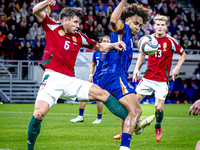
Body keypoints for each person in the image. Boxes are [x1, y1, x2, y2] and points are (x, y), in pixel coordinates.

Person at [27, 1, 129, 150]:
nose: (78, 25)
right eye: (75, 22)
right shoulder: (52, 26)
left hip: (70, 81)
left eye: (78, 22)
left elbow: (100, 47)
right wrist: (47, 1)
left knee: (102, 93)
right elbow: (36, 10)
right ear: (65, 20)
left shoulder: (79, 36)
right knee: (38, 114)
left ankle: (131, 120)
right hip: (52, 79)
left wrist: (113, 45)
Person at [98, 1, 155, 150]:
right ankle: (126, 146)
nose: (138, 27)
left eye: (140, 25)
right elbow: (113, 20)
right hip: (114, 75)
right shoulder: (123, 30)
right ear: (127, 19)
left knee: (132, 112)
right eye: (135, 23)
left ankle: (134, 127)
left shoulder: (129, 37)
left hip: (114, 76)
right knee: (136, 110)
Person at [133, 14, 186, 142]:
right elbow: (142, 54)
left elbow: (183, 54)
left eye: (162, 25)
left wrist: (177, 68)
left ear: (166, 27)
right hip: (147, 77)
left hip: (162, 79)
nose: (160, 27)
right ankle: (129, 127)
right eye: (158, 24)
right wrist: (136, 68)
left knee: (158, 107)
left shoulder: (171, 41)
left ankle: (158, 126)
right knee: (133, 103)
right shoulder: (148, 39)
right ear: (154, 26)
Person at [70, 35, 110, 124]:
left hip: (105, 78)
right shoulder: (96, 52)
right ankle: (80, 116)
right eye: (104, 41)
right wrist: (90, 75)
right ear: (101, 42)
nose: (105, 43)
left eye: (108, 41)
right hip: (95, 77)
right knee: (84, 93)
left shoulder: (111, 53)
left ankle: (99, 118)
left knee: (99, 98)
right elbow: (93, 65)